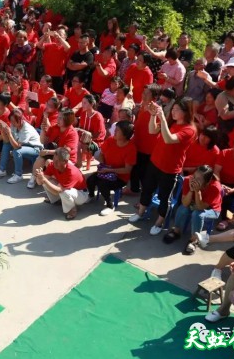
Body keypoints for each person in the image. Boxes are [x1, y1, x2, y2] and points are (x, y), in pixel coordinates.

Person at [129, 97, 197, 235]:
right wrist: (154, 115)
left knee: (164, 197)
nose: (173, 112)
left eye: (177, 109)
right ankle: (141, 213)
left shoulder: (189, 130)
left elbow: (169, 139)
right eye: (173, 108)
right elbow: (152, 130)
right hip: (155, 162)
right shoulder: (171, 122)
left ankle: (159, 223)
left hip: (170, 169)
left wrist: (162, 117)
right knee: (147, 189)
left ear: (186, 112)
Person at [87, 120, 137, 216]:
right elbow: (101, 154)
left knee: (102, 184)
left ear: (125, 135)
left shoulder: (131, 148)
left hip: (120, 177)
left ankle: (110, 205)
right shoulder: (110, 140)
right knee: (90, 179)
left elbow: (127, 170)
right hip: (107, 170)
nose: (114, 131)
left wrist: (109, 170)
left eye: (117, 130)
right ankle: (91, 195)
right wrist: (103, 165)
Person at [171, 165, 223, 252]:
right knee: (183, 208)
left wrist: (197, 191)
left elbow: (200, 207)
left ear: (207, 182)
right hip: (194, 202)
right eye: (194, 176)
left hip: (212, 209)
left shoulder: (215, 187)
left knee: (197, 214)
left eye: (199, 179)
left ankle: (194, 240)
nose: (194, 180)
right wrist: (191, 190)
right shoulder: (188, 180)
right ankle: (177, 230)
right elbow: (184, 203)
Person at [0, 108, 43, 184]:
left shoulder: (26, 129)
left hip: (35, 149)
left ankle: (18, 175)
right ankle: (2, 170)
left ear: (20, 120)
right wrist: (2, 131)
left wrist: (9, 134)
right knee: (6, 145)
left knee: (17, 151)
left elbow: (17, 147)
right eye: (11, 121)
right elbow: (6, 141)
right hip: (24, 146)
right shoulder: (14, 125)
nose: (12, 123)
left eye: (14, 121)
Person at [35, 147, 89, 220]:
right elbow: (39, 182)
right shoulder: (52, 165)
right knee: (47, 182)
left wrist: (44, 179)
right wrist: (39, 176)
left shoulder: (71, 172)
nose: (54, 162)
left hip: (82, 194)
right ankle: (58, 201)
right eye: (54, 159)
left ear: (65, 161)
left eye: (58, 161)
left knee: (64, 192)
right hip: (67, 189)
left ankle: (72, 210)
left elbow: (58, 191)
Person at [30, 108, 79, 189]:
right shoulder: (55, 127)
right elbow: (43, 141)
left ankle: (52, 185)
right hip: (54, 153)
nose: (57, 119)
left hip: (66, 159)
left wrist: (47, 152)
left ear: (67, 119)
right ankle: (34, 177)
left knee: (49, 162)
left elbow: (65, 151)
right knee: (40, 159)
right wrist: (42, 130)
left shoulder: (72, 133)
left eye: (60, 118)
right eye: (58, 117)